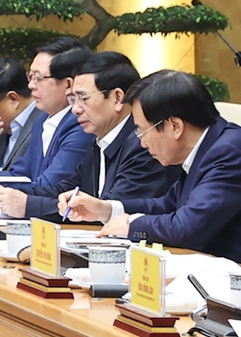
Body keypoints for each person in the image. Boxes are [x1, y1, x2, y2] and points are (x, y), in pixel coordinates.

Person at [63, 69, 241, 265]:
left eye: (142, 131)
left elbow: (186, 229)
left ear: (175, 126)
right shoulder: (207, 145)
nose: (143, 143)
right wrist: (106, 210)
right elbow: (167, 205)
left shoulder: (228, 153)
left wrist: (131, 225)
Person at [12, 50, 175, 221]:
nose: (75, 109)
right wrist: (12, 195)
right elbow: (66, 188)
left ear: (117, 98)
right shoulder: (98, 141)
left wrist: (29, 205)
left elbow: (110, 209)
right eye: (73, 99)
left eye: (83, 98)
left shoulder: (143, 144)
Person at [0, 40, 94, 215]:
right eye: (30, 76)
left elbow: (50, 186)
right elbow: (19, 175)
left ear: (68, 85)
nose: (31, 85)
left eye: (39, 78)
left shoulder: (81, 124)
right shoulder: (40, 121)